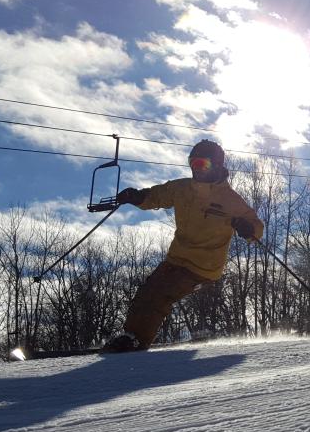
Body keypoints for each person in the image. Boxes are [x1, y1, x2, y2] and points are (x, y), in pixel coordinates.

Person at [102, 140, 263, 353]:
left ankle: (135, 340)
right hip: (176, 258)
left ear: (216, 166)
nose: (197, 170)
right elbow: (158, 195)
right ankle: (130, 335)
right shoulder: (183, 188)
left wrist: (247, 228)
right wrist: (138, 197)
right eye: (193, 164)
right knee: (146, 292)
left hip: (203, 265)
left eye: (202, 164)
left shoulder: (229, 199)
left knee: (159, 294)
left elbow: (255, 226)